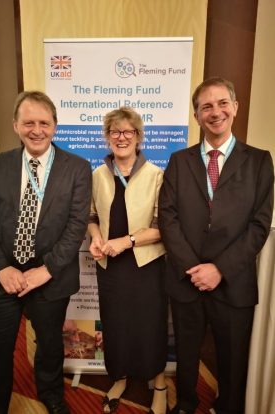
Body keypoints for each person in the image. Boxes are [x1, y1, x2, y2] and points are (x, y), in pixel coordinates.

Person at [158, 77, 274, 414]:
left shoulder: (259, 162)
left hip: (233, 281)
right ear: (196, 115)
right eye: (206, 106)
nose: (215, 111)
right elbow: (168, 217)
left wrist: (219, 269)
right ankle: (186, 403)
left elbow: (258, 225)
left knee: (232, 358)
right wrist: (194, 269)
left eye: (222, 103)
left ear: (235, 108)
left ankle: (228, 406)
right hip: (187, 278)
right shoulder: (179, 161)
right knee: (186, 353)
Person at [0, 91, 92, 414]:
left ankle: (51, 394)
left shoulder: (78, 168)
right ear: (16, 125)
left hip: (50, 277)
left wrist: (46, 270)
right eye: (29, 122)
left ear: (55, 126)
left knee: (50, 345)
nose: (36, 130)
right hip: (3, 276)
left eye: (44, 122)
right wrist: (1, 268)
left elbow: (76, 226)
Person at [88, 107, 168, 414]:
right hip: (111, 267)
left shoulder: (156, 174)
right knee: (116, 325)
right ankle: (119, 377)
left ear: (138, 137)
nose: (121, 138)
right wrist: (96, 237)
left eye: (128, 132)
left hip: (146, 265)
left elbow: (162, 228)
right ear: (107, 137)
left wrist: (128, 241)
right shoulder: (98, 175)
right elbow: (91, 217)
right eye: (115, 132)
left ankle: (158, 384)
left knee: (151, 326)